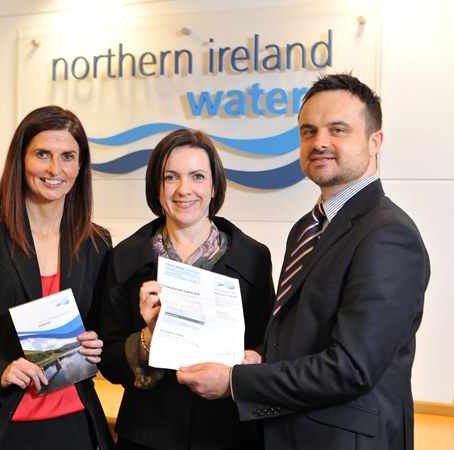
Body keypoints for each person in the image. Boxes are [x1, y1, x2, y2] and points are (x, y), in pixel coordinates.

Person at [177, 73, 431, 450]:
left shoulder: (388, 236)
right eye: (308, 131)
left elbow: (351, 368)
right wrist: (260, 358)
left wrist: (234, 382)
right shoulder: (307, 228)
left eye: (338, 130)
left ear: (374, 141)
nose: (320, 142)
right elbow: (304, 335)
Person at [0, 105, 115, 450]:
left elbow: (101, 330)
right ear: (20, 160)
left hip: (73, 426)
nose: (55, 169)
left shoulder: (96, 243)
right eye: (42, 154)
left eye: (68, 156)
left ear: (80, 166)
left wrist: (96, 343)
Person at [98, 129, 274, 450]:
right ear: (156, 185)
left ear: (214, 185)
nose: (184, 190)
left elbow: (269, 345)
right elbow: (107, 359)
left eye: (197, 176)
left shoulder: (254, 259)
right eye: (170, 177)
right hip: (147, 435)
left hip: (229, 434)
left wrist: (254, 361)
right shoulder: (125, 257)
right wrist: (149, 337)